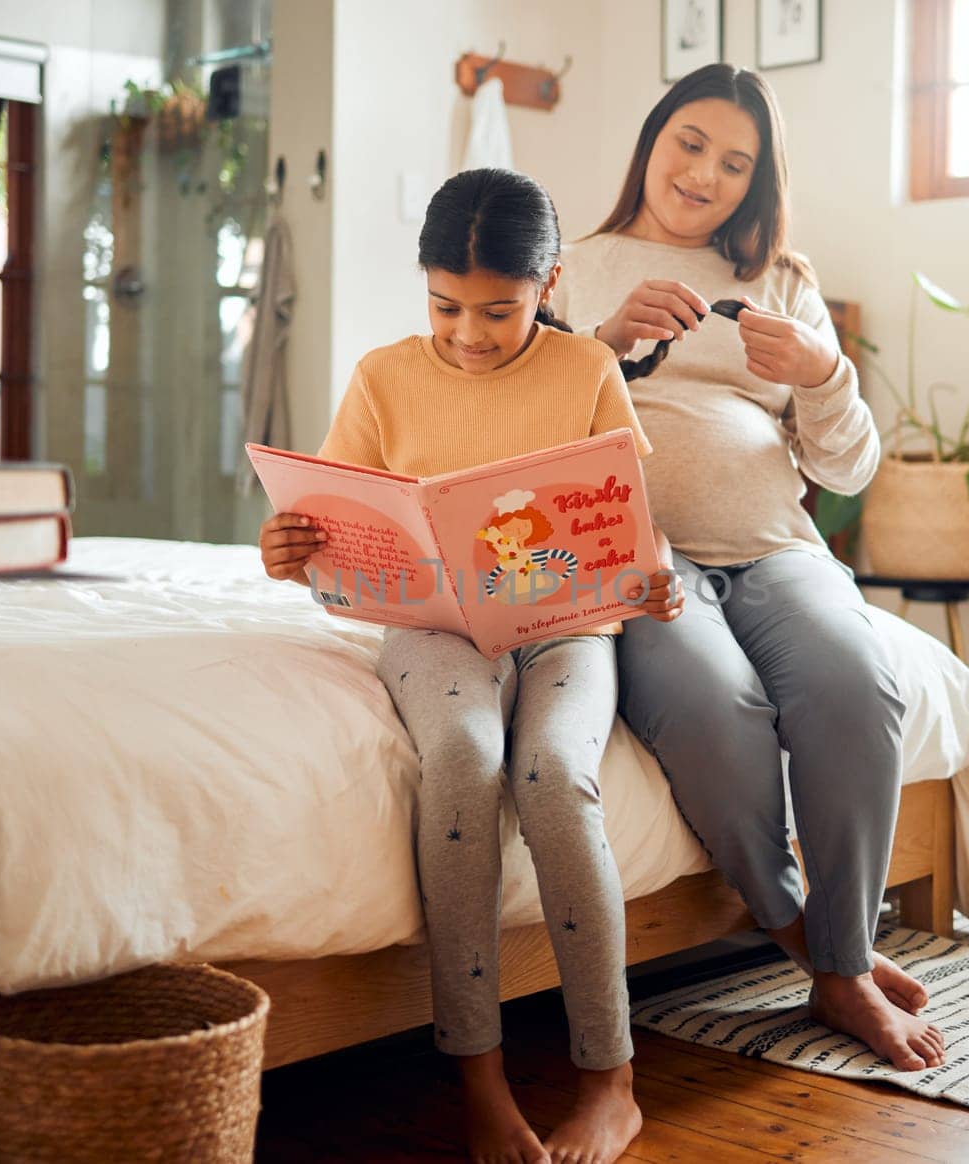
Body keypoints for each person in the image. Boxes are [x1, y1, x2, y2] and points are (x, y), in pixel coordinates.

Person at [260, 168, 683, 1164]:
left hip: (569, 626)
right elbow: (323, 522)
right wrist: (284, 548)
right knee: (459, 759)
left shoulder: (585, 369)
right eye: (445, 307)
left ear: (549, 283)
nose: (468, 332)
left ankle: (608, 1083)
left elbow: (633, 526)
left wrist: (655, 579)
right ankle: (479, 1079)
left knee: (552, 774)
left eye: (497, 309)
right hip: (432, 626)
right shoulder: (382, 376)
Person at [549, 63, 946, 1073]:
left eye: (736, 163)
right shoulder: (568, 265)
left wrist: (824, 373)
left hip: (776, 547)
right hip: (639, 556)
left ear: (755, 182)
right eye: (690, 143)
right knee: (716, 706)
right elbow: (528, 443)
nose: (705, 175)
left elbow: (846, 466)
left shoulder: (783, 280)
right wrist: (602, 345)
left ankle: (842, 964)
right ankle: (796, 934)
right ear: (652, 138)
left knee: (856, 683)